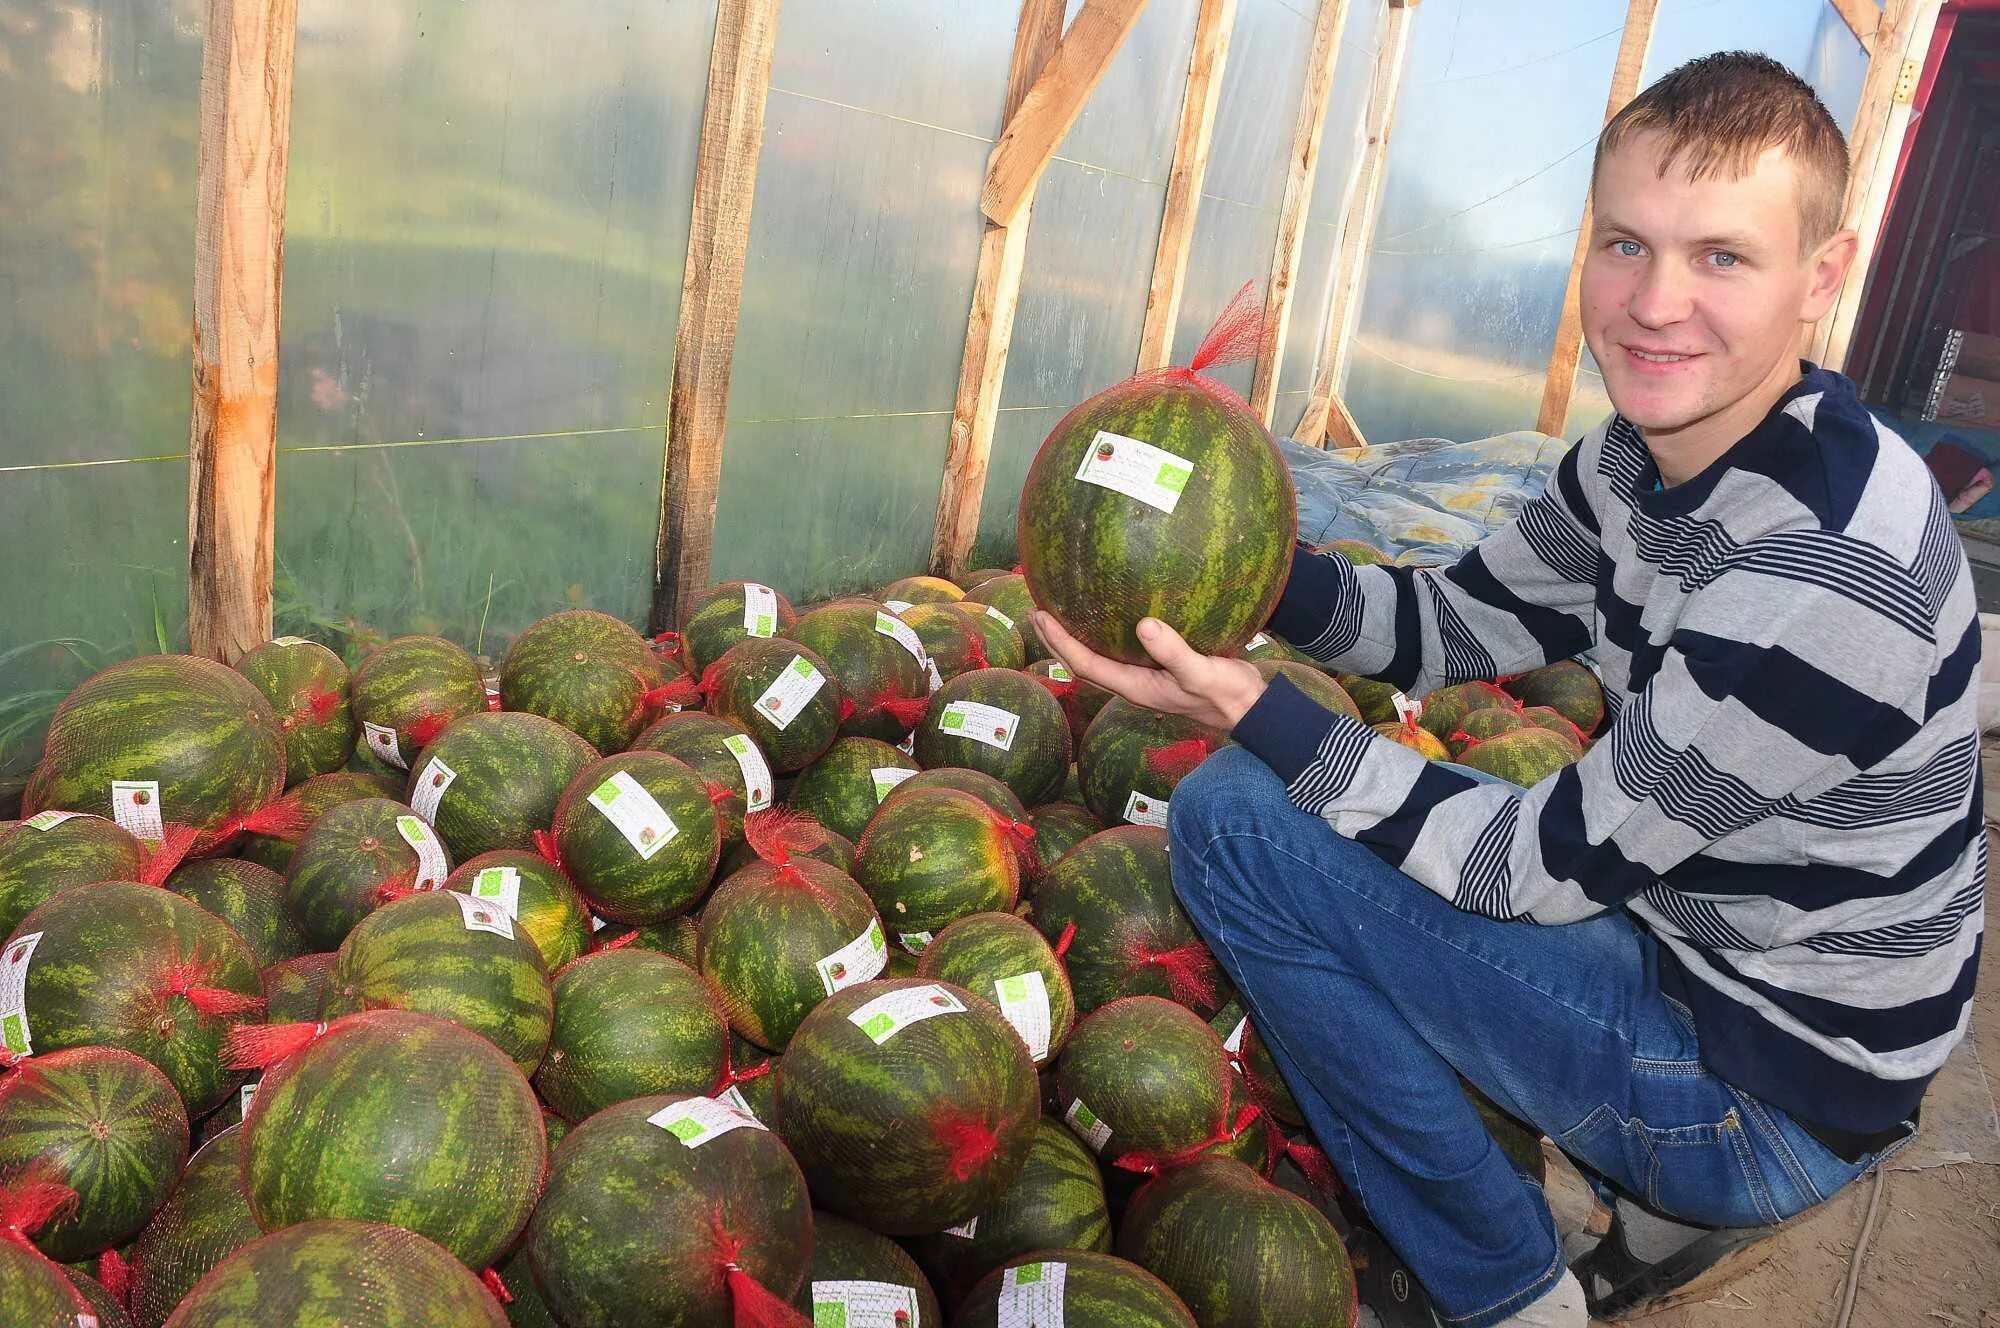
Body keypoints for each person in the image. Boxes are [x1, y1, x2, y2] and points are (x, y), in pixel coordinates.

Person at [1035, 52, 1984, 1328]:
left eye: (1720, 257)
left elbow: (1535, 865)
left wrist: (1252, 709)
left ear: (1821, 276)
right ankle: (1653, 1218)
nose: (1654, 302)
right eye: (1622, 244)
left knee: (1235, 828)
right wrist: (1241, 575)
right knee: (1334, 808)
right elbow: (1450, 620)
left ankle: (1507, 1287)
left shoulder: (1826, 566)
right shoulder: (1636, 460)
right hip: (1708, 963)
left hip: (1772, 1083)